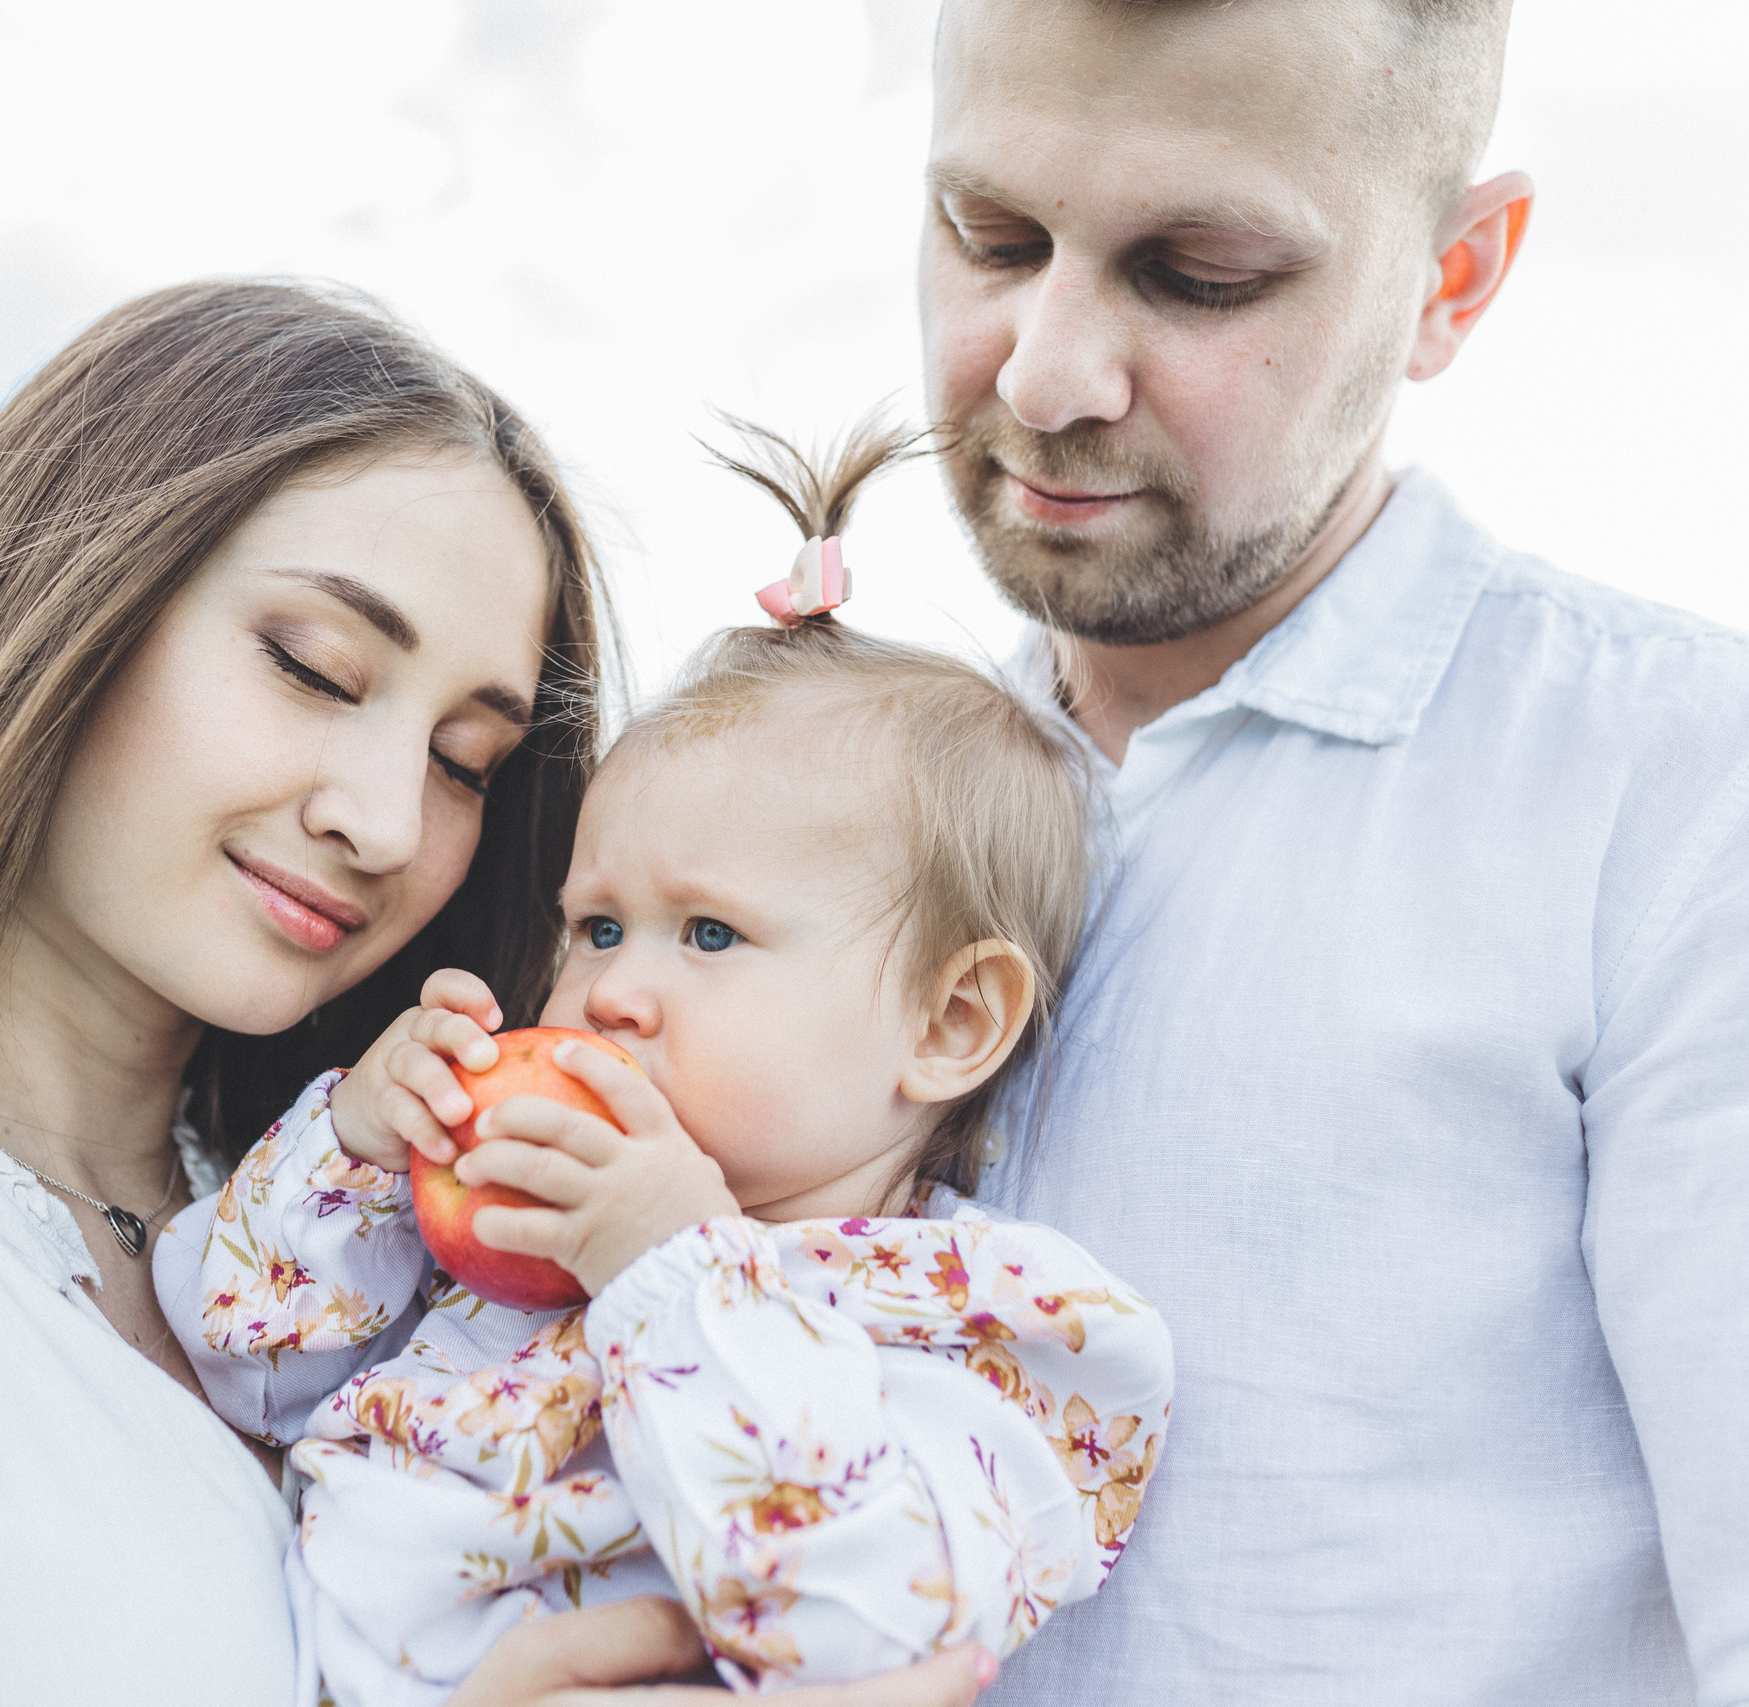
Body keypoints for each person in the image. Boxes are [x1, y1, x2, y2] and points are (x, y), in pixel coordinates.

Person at [0, 282, 990, 1707]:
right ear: (64, 607)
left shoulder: (417, 1285)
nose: (383, 818)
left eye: (466, 764)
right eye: (310, 664)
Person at [919, 1, 1749, 1702]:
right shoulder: (793, 806)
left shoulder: (1745, 814)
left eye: (1200, 272)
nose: (1044, 369)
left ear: (1455, 280)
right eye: (991, 236)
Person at [156, 425, 1176, 1707]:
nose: (609, 993)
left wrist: (674, 1270)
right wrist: (355, 1153)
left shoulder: (974, 1323)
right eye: (593, 927)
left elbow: (860, 1634)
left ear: (949, 1023)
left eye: (708, 934)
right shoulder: (503, 1254)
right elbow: (242, 1367)